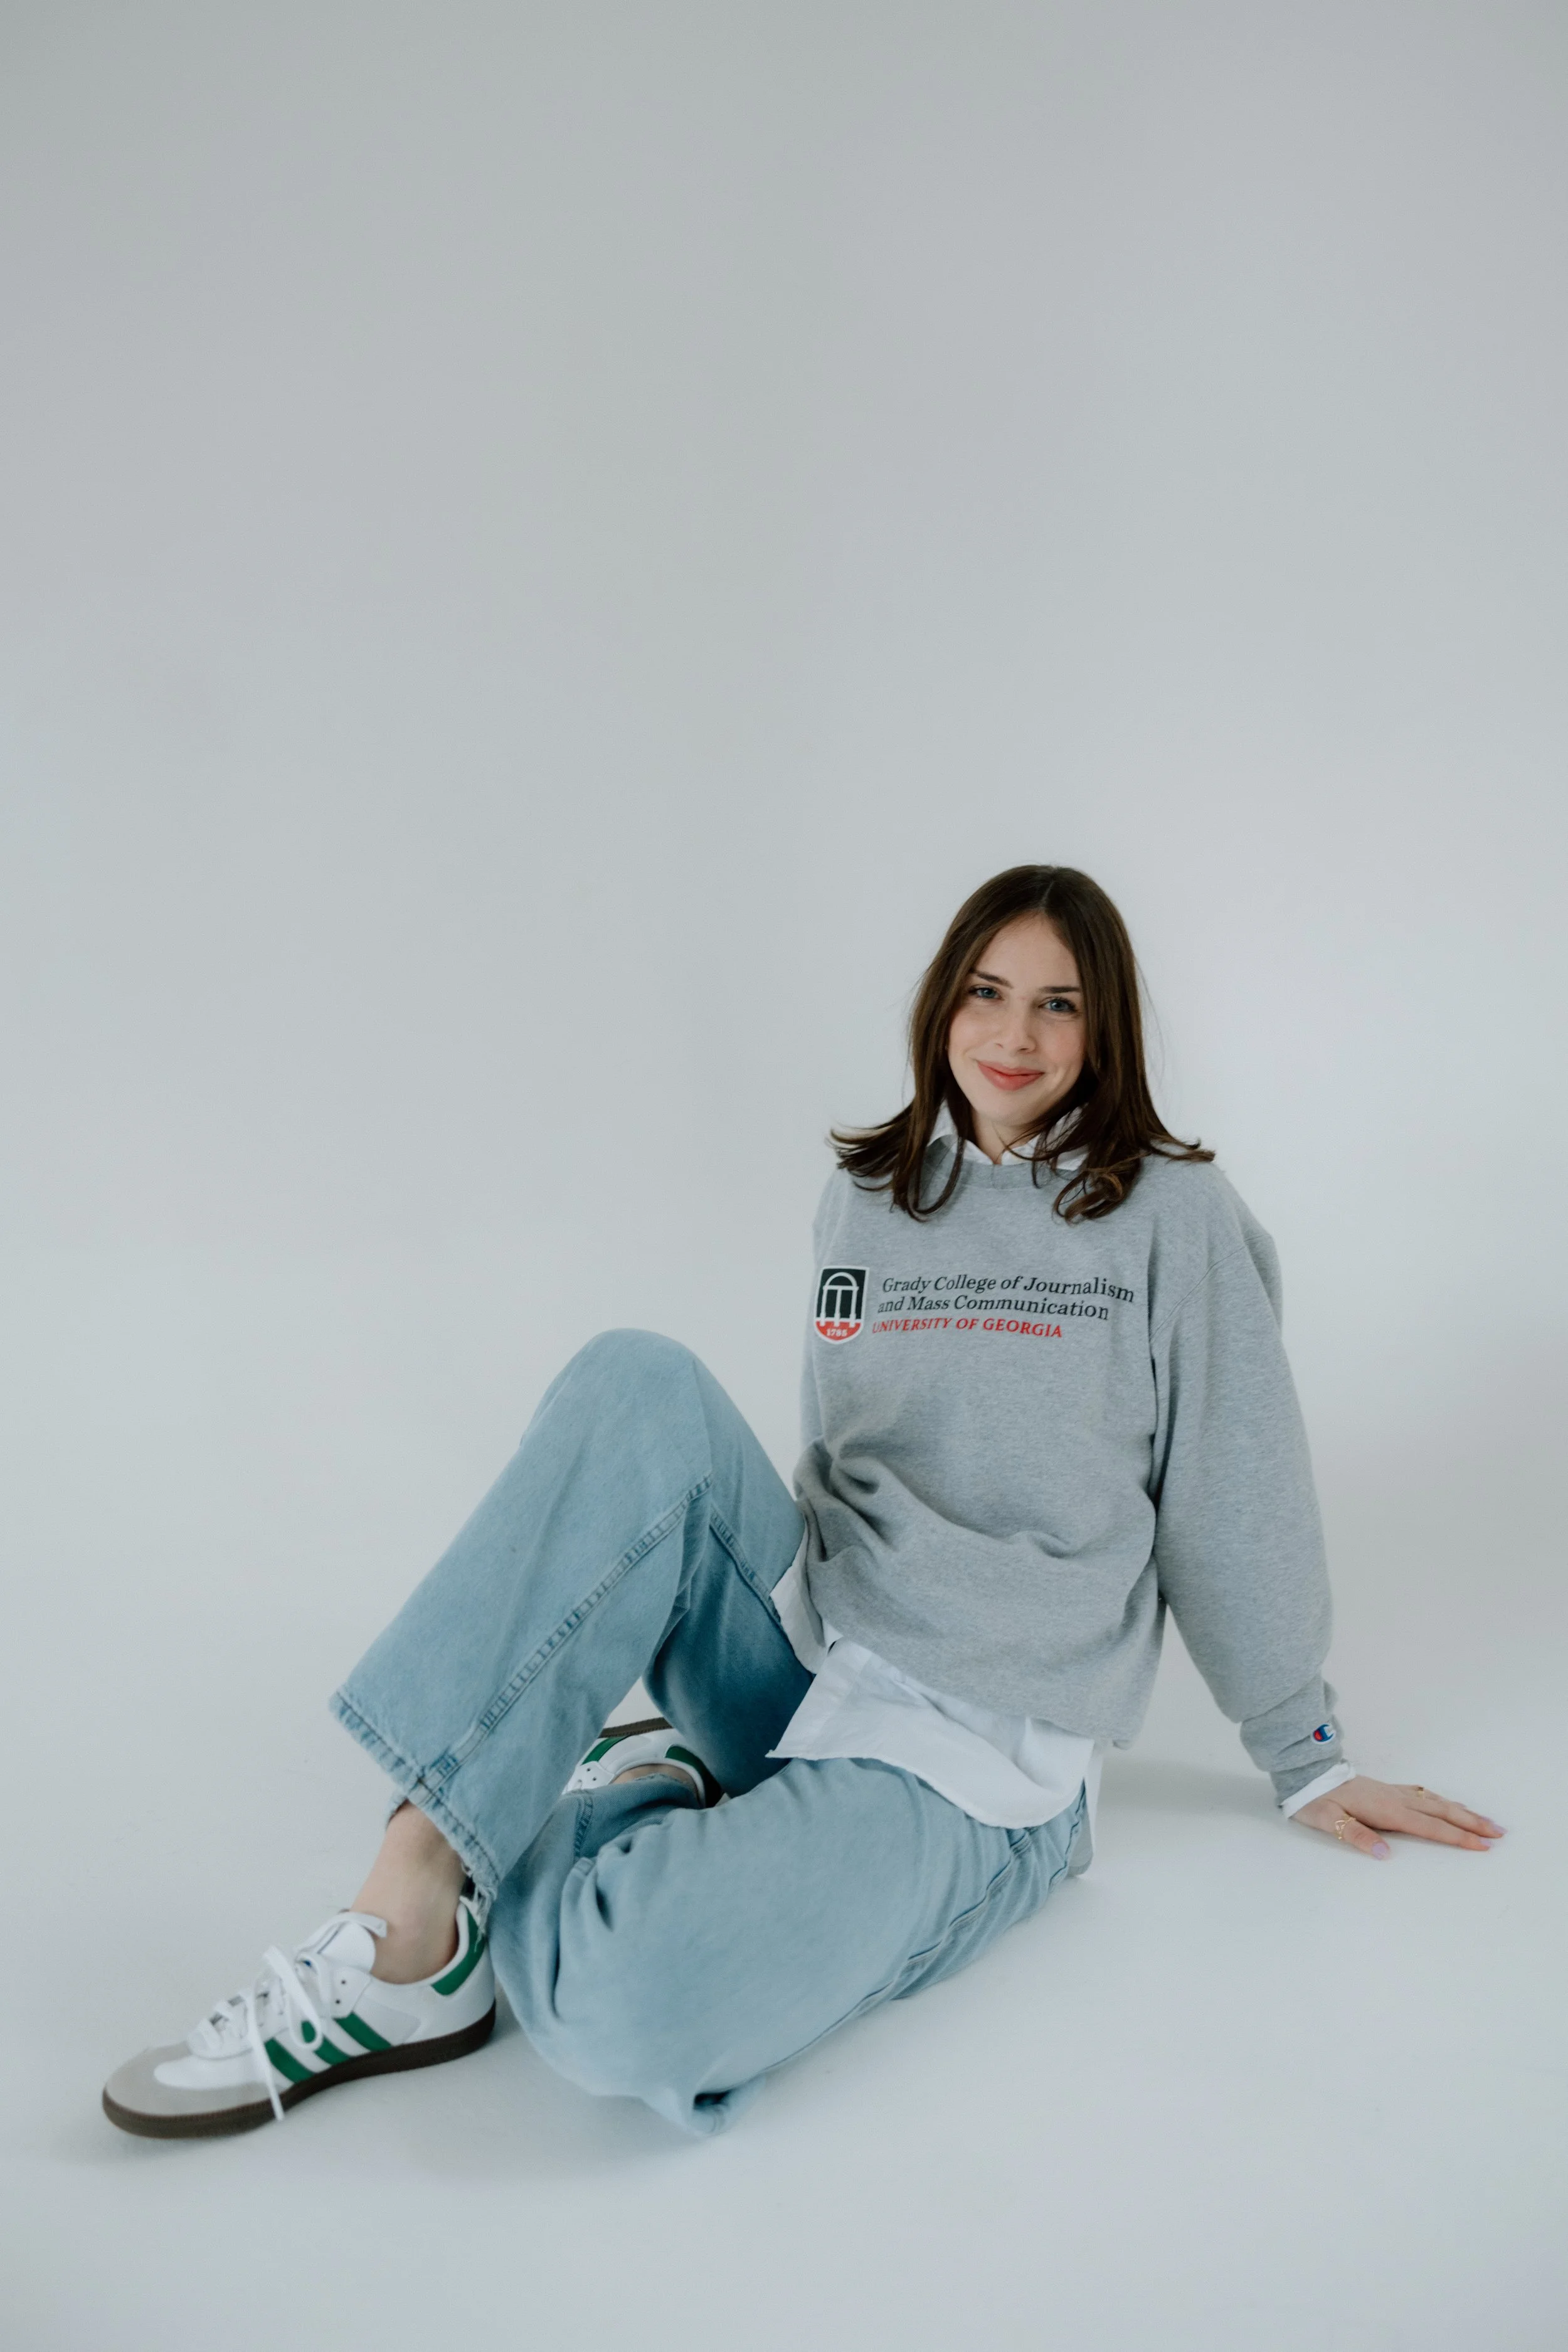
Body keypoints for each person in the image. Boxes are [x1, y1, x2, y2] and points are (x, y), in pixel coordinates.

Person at [102, 864, 1503, 2141]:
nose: (1013, 1036)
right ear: (939, 1002)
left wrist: (1301, 1748)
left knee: (616, 2015)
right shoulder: (868, 1197)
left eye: (1058, 1006)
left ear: (1105, 1031)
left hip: (975, 1766)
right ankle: (410, 1915)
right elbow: (841, 1463)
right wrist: (756, 1636)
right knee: (634, 1380)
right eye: (985, 992)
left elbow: (1232, 1488)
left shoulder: (1168, 1218)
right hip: (809, 1659)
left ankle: (595, 1806)